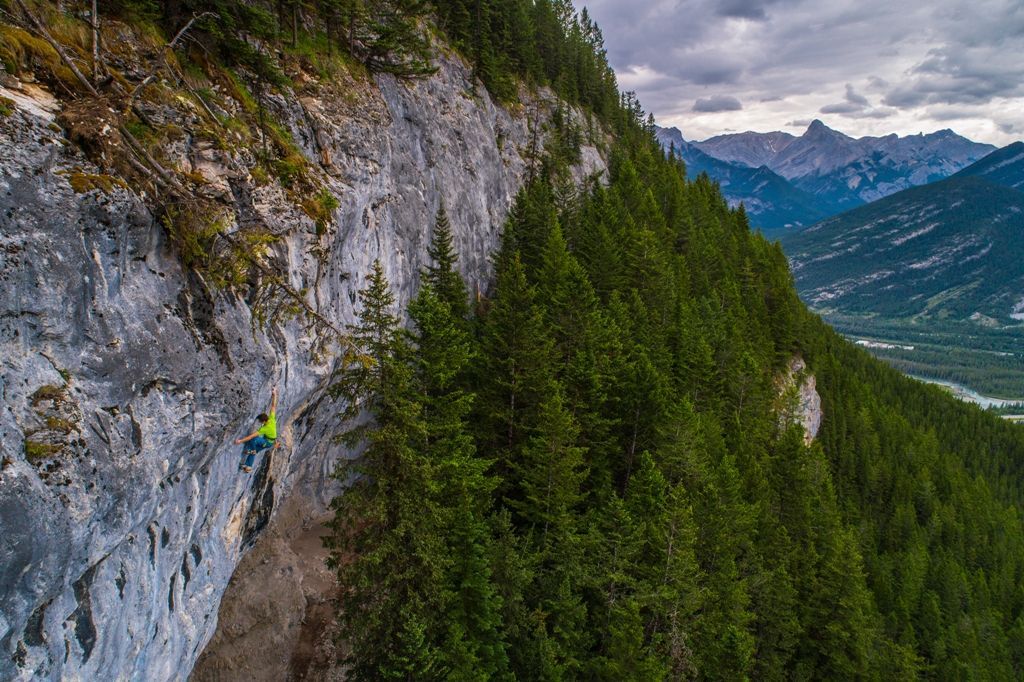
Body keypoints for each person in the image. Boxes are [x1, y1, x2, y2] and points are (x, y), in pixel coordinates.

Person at [235, 387, 278, 473]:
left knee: (253, 442)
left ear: (264, 421)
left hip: (267, 442)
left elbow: (252, 436)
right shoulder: (272, 419)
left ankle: (249, 466)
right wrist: (274, 394)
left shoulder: (264, 428)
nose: (259, 422)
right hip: (270, 442)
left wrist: (240, 441)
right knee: (252, 451)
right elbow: (273, 406)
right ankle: (247, 466)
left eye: (260, 421)